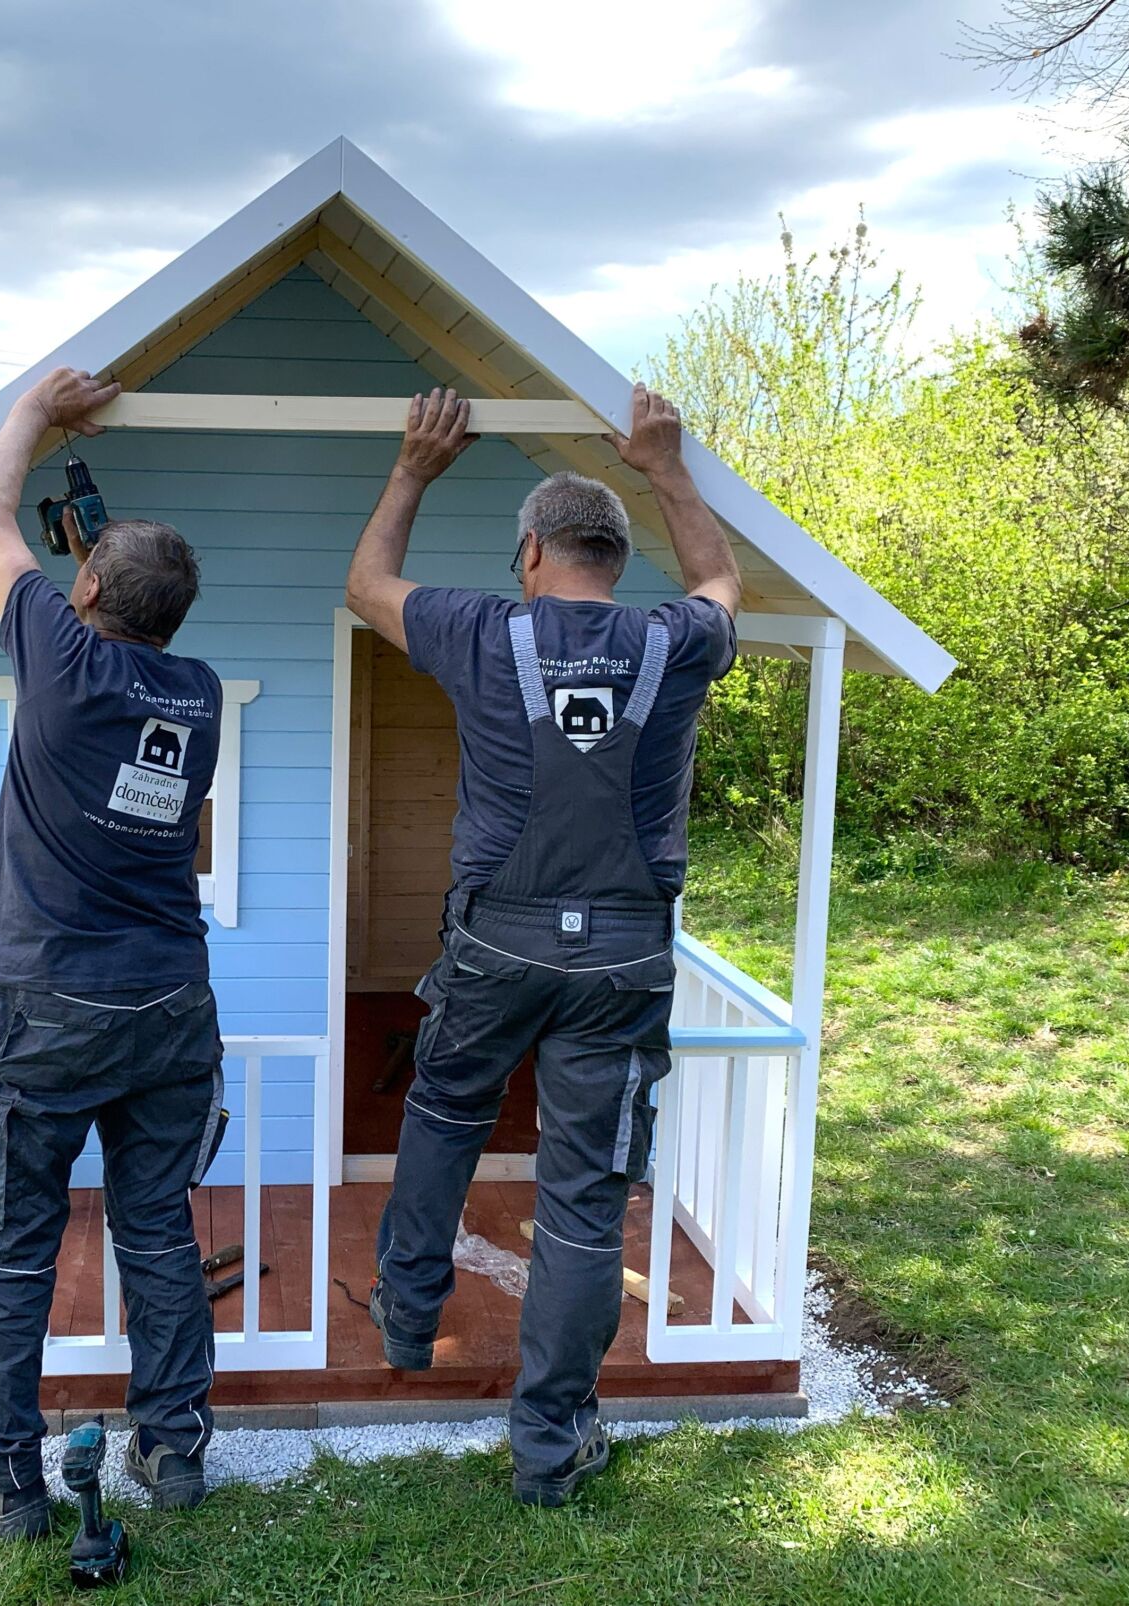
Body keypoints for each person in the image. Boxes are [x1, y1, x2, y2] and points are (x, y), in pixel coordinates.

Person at [343, 382, 742, 1506]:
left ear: (530, 554)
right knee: (579, 1196)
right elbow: (720, 580)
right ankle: (549, 1444)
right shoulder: (674, 641)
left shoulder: (481, 629)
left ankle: (407, 1321)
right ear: (612, 559)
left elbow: (364, 585)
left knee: (442, 1109)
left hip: (494, 948)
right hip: (619, 962)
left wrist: (416, 465)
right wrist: (666, 464)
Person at [0, 366, 228, 1538]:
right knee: (154, 1228)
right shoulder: (200, 695)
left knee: (16, 1244)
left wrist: (37, 414)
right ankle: (171, 1454)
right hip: (166, 1002)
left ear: (93, 586)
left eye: (84, 573)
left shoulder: (58, 657)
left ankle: (3, 1478)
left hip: (49, 1001)